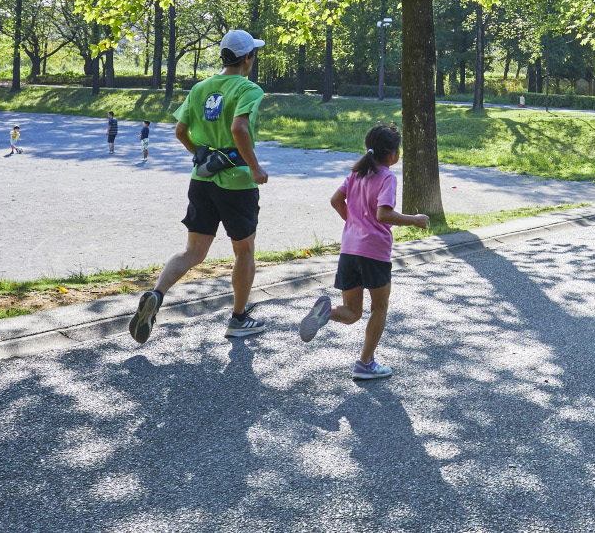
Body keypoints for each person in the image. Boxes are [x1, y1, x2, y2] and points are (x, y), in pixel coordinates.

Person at [128, 29, 272, 344]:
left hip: (201, 181)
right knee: (244, 251)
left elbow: (181, 131)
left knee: (193, 252)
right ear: (248, 58)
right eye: (253, 55)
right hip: (237, 186)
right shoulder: (248, 89)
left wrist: (203, 156)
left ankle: (157, 294)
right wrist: (255, 167)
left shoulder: (200, 88)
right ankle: (238, 318)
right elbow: (238, 127)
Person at [297, 124, 432, 379]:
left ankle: (326, 313)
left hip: (350, 250)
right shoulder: (387, 177)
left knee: (352, 312)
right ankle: (365, 363)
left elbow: (336, 200)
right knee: (379, 308)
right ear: (392, 155)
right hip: (374, 251)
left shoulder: (356, 174)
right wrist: (414, 219)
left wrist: (354, 222)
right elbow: (384, 213)